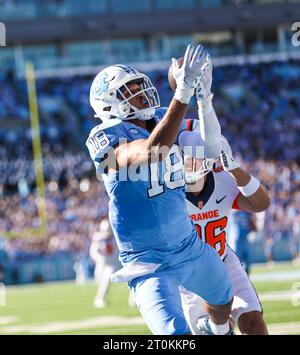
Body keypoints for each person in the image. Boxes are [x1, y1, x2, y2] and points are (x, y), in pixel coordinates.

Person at [86, 45, 234, 335]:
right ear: (108, 103)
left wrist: (204, 100)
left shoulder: (163, 116)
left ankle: (216, 330)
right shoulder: (102, 137)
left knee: (224, 299)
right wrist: (182, 95)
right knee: (176, 336)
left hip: (189, 244)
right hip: (148, 262)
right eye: (129, 90)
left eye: (140, 86)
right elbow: (154, 150)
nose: (142, 93)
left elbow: (211, 148)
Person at [178, 125, 270, 335]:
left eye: (196, 155)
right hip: (189, 274)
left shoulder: (224, 181)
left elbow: (261, 204)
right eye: (185, 156)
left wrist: (234, 168)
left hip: (223, 260)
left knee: (254, 323)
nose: (190, 162)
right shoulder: (167, 192)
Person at [90, 218, 135, 308]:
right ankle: (99, 299)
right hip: (106, 264)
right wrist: (99, 260)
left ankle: (134, 299)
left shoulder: (117, 236)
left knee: (132, 278)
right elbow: (93, 252)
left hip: (119, 262)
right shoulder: (99, 238)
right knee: (105, 281)